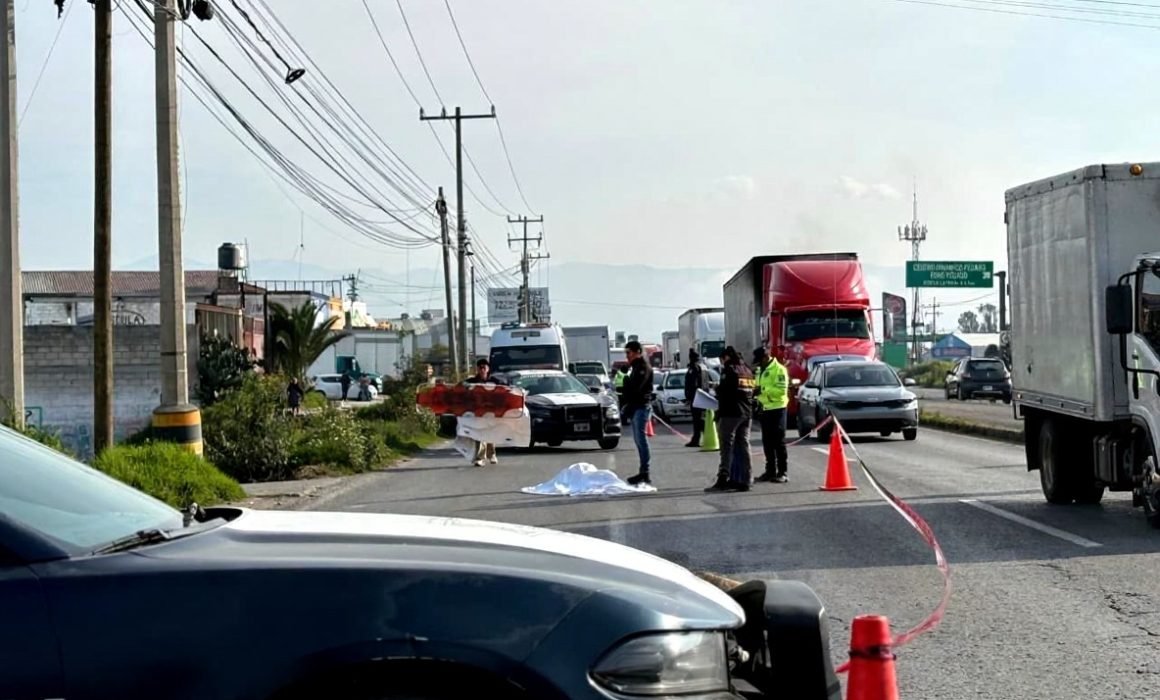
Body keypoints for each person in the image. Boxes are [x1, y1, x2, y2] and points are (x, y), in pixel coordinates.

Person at [705, 346, 755, 493]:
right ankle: (746, 480)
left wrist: (717, 389)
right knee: (744, 445)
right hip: (747, 413)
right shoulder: (747, 370)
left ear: (726, 357)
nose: (722, 362)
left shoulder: (730, 369)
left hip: (731, 413)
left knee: (727, 447)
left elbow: (725, 392)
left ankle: (723, 478)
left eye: (722, 359)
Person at [752, 347, 790, 483]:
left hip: (777, 408)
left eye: (759, 361)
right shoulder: (759, 370)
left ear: (765, 358)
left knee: (779, 442)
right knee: (767, 442)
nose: (758, 364)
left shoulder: (779, 370)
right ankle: (770, 471)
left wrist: (762, 390)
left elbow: (780, 391)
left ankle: (783, 472)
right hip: (765, 408)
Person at [620, 341, 655, 485]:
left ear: (637, 352)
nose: (627, 356)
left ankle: (645, 472)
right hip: (636, 407)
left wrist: (627, 381)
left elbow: (636, 389)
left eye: (629, 352)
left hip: (641, 407)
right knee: (638, 440)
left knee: (641, 440)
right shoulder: (635, 367)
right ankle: (642, 471)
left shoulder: (642, 368)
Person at [463, 358, 505, 467]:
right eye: (480, 367)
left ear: (488, 369)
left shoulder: (495, 381)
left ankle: (492, 454)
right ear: (477, 369)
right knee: (479, 434)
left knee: (490, 433)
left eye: (484, 367)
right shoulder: (472, 381)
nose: (482, 370)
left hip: (491, 412)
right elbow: (462, 386)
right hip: (477, 412)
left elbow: (505, 388)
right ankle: (480, 457)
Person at [683, 349, 711, 447]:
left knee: (697, 420)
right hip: (703, 395)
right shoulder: (703, 367)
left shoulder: (694, 368)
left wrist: (689, 397)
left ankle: (698, 439)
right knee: (700, 419)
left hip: (696, 397)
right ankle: (701, 437)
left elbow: (692, 383)